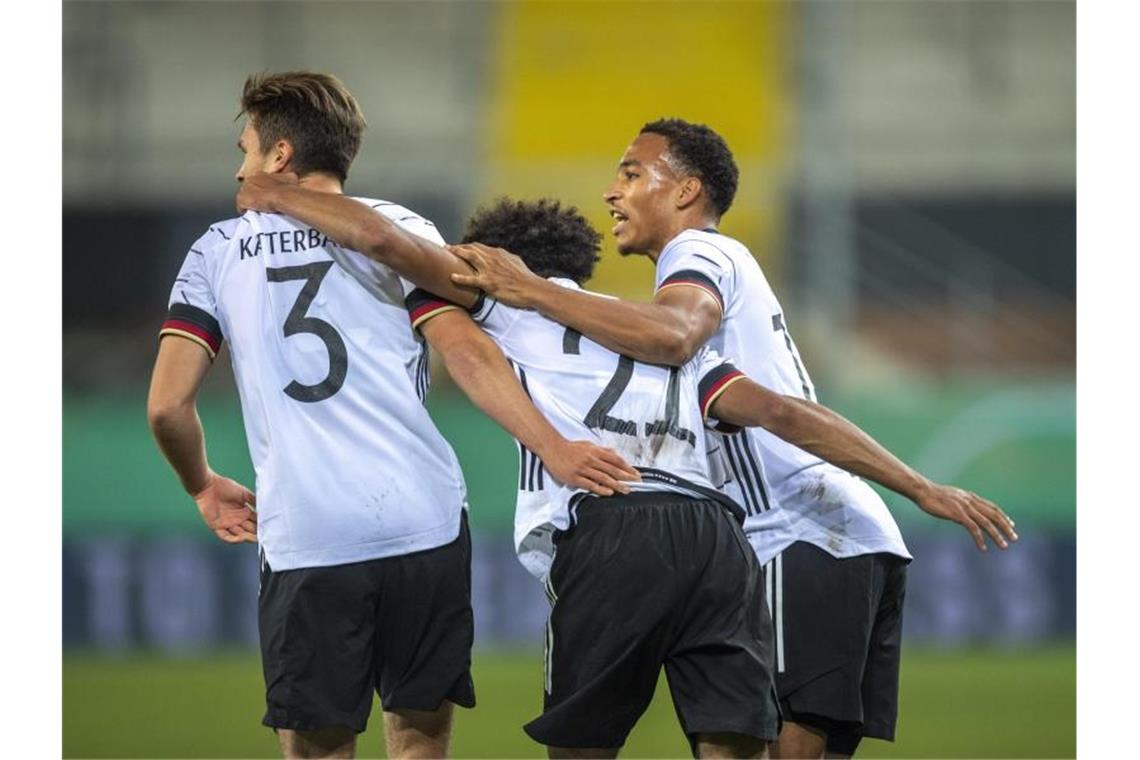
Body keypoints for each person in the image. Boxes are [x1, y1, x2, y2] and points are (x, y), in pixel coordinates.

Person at [233, 180, 1012, 760]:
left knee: (581, 743)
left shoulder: (495, 304)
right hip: (716, 537)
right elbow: (783, 413)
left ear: (491, 261)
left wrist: (279, 193)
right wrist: (919, 487)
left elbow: (386, 244)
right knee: (735, 742)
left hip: (610, 521)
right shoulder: (647, 330)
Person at [444, 119, 1019, 759]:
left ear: (687, 191)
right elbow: (781, 408)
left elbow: (686, 340)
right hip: (836, 534)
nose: (612, 191)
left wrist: (528, 288)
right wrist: (917, 488)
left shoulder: (700, 254)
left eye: (632, 173)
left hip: (795, 530)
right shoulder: (705, 304)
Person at [147, 71, 637, 760]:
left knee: (317, 746)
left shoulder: (216, 252)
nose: (240, 167)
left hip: (308, 532)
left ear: (280, 157)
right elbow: (467, 354)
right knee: (417, 738)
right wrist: (551, 446)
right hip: (423, 522)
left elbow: (167, 406)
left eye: (247, 148)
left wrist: (200, 483)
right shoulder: (403, 230)